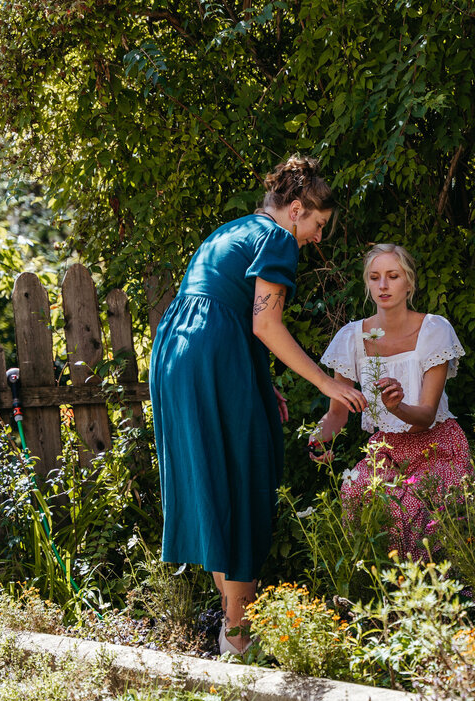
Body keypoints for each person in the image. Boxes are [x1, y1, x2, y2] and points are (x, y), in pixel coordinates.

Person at [151, 156, 367, 655]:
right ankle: (238, 641)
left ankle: (231, 632)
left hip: (178, 353)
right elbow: (264, 324)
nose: (316, 237)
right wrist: (327, 385)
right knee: (243, 472)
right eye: (316, 224)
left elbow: (219, 308)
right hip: (211, 356)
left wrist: (256, 378)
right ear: (295, 210)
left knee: (212, 473)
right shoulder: (276, 238)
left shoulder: (234, 230)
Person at [310, 244, 471, 560]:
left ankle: (435, 596)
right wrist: (318, 439)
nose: (383, 286)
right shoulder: (351, 338)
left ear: (409, 283)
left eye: (393, 276)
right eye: (374, 277)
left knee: (411, 506)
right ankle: (376, 591)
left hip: (435, 446)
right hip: (384, 451)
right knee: (355, 491)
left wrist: (396, 406)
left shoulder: (434, 329)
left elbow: (425, 415)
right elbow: (337, 414)